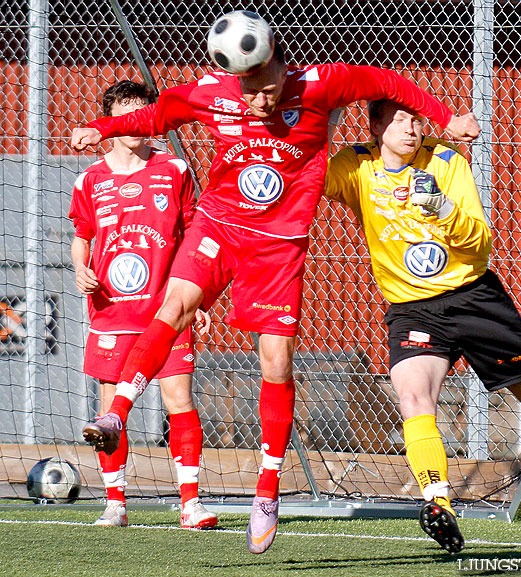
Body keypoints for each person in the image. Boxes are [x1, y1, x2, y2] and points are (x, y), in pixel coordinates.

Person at [69, 19, 480, 552]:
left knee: (275, 362)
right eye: (246, 90)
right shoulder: (213, 91)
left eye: (264, 87)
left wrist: (448, 119)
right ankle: (116, 412)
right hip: (219, 223)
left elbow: (389, 83)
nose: (258, 101)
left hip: (278, 242)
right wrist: (101, 129)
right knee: (173, 305)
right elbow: (159, 112)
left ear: (279, 65)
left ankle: (268, 490)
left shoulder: (322, 83)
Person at [325, 100, 521, 553]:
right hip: (414, 309)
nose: (411, 129)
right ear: (375, 127)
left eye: (416, 120)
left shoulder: (445, 162)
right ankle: (437, 503)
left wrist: (440, 207)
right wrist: (321, 114)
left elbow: (479, 239)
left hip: (474, 297)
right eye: (399, 121)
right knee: (412, 396)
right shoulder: (356, 165)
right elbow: (306, 175)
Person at [69, 80, 218, 530]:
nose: (136, 123)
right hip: (112, 312)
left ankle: (190, 504)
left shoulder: (174, 169)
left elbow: (195, 234)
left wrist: (200, 296)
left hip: (168, 308)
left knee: (179, 399)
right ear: (112, 122)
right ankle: (115, 503)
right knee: (110, 408)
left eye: (143, 112)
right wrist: (79, 269)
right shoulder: (89, 179)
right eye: (126, 113)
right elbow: (82, 237)